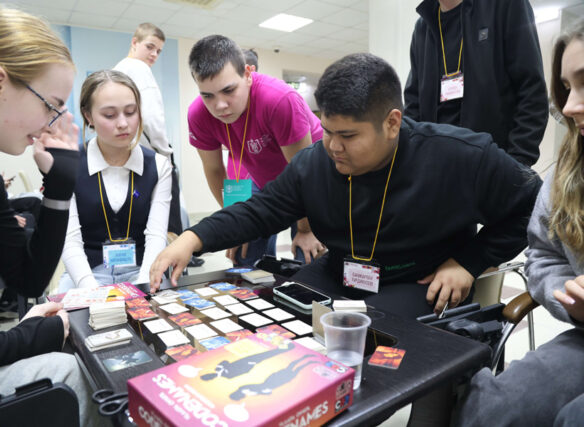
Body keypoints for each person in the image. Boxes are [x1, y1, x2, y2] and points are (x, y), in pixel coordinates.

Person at [151, 52, 541, 320]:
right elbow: (261, 210)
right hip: (342, 270)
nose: (333, 147)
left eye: (349, 136)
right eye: (327, 131)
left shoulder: (460, 156)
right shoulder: (314, 163)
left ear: (391, 123)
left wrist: (471, 261)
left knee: (369, 337)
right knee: (280, 313)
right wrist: (192, 238)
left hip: (417, 279)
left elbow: (533, 205)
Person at [0, 4, 97, 425]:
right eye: (51, 106)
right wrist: (24, 338)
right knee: (67, 375)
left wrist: (59, 188)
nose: (52, 123)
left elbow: (28, 279)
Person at [456, 20, 584, 426]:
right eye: (566, 88)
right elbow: (543, 254)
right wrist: (568, 296)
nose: (569, 107)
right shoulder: (565, 174)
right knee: (489, 410)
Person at [187, 35, 325, 266]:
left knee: (309, 256)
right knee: (243, 251)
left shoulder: (279, 100)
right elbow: (214, 170)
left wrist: (305, 230)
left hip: (312, 179)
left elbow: (304, 173)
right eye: (208, 95)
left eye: (228, 90)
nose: (220, 106)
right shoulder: (198, 114)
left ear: (248, 74)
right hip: (261, 178)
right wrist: (235, 224)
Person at [58, 70, 171, 291]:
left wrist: (143, 289)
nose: (123, 123)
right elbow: (70, 241)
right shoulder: (67, 166)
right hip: (86, 273)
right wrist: (92, 292)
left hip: (143, 270)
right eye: (109, 115)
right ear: (88, 116)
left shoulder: (158, 166)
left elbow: (156, 236)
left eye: (130, 112)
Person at [404, 0, 548, 167]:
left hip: (492, 169)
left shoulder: (505, 5)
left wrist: (516, 165)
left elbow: (532, 92)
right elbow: (413, 106)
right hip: (436, 169)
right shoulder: (423, 27)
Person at [113, 23, 186, 241]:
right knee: (169, 226)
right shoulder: (139, 68)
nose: (154, 54)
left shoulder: (117, 70)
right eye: (150, 47)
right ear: (134, 42)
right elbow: (153, 118)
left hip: (125, 157)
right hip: (150, 157)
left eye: (159, 51)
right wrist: (165, 154)